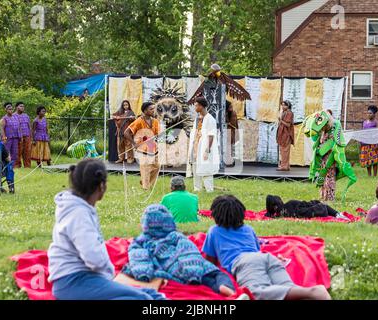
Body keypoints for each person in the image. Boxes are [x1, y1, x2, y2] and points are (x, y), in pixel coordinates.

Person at [48, 159, 165, 300]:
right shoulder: (79, 214)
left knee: (148, 294)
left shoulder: (79, 208)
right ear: (101, 186)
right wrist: (109, 275)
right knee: (142, 298)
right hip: (74, 281)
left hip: (82, 279)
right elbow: (93, 258)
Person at [202, 195, 331, 300]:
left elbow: (210, 261)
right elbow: (256, 249)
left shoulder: (214, 231)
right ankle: (309, 294)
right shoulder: (248, 229)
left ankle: (315, 292)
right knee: (288, 288)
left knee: (256, 292)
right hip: (266, 258)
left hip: (244, 262)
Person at [122, 204, 246, 298]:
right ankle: (228, 290)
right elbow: (188, 249)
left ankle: (221, 288)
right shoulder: (176, 236)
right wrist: (192, 269)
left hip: (169, 269)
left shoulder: (141, 241)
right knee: (216, 275)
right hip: (192, 266)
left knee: (201, 276)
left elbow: (138, 257)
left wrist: (143, 273)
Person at [124, 102, 160, 190]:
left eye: (153, 109)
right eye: (151, 109)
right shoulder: (139, 121)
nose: (153, 110)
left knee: (157, 166)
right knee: (145, 167)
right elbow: (126, 133)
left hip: (153, 147)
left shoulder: (155, 121)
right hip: (142, 148)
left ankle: (144, 181)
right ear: (145, 110)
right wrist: (134, 143)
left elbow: (157, 134)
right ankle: (146, 188)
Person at [187, 96, 219, 193]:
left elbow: (211, 135)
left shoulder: (210, 119)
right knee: (195, 167)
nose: (195, 107)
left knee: (206, 168)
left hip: (204, 147)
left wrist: (207, 150)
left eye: (196, 105)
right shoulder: (197, 119)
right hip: (196, 145)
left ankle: (209, 190)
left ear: (201, 106)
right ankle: (197, 188)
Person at [265, 195, 349, 220]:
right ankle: (338, 215)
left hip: (305, 212)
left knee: (318, 204)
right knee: (322, 205)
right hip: (307, 212)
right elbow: (304, 204)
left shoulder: (279, 215)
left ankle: (338, 215)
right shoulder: (289, 204)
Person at [360, 106, 378, 177]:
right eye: (368, 113)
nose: (369, 114)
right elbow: (363, 132)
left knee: (374, 160)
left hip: (373, 143)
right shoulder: (364, 122)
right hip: (365, 143)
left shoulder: (376, 122)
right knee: (367, 160)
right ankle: (369, 175)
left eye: (370, 113)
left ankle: (375, 175)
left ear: (374, 114)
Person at [0, 102, 21, 167]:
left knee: (15, 152)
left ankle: (12, 166)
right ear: (6, 110)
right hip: (7, 138)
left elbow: (18, 127)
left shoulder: (15, 117)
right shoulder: (4, 119)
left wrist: (20, 136)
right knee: (7, 152)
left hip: (15, 137)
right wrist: (4, 138)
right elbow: (2, 129)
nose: (11, 110)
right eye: (9, 109)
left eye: (12, 109)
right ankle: (5, 165)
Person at [276, 100, 294, 172]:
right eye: (282, 105)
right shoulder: (285, 112)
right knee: (283, 150)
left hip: (286, 134)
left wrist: (280, 120)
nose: (282, 107)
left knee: (285, 150)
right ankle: (285, 165)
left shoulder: (289, 113)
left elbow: (288, 125)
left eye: (284, 105)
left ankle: (284, 166)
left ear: (288, 106)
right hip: (283, 134)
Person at [14, 102, 32, 168]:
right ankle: (17, 165)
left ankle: (27, 165)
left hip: (27, 136)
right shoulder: (13, 116)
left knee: (27, 151)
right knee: (18, 151)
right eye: (21, 106)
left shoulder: (26, 116)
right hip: (18, 137)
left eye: (23, 106)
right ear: (16, 107)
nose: (22, 108)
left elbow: (29, 126)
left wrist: (31, 136)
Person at [225, 100, 238, 167]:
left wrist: (227, 123)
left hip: (230, 132)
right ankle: (229, 161)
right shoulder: (226, 113)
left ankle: (230, 162)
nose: (231, 107)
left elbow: (233, 124)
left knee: (229, 147)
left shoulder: (233, 113)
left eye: (231, 106)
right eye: (230, 106)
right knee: (228, 148)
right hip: (228, 133)